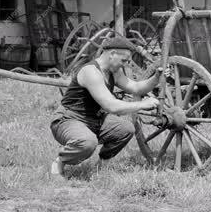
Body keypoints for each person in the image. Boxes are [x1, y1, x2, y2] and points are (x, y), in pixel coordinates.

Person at [49, 36, 161, 179]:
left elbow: (136, 87)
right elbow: (111, 106)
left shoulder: (113, 71)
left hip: (95, 120)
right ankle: (60, 162)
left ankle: (101, 166)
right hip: (69, 120)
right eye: (124, 60)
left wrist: (156, 77)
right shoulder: (91, 72)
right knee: (87, 143)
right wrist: (141, 105)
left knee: (125, 129)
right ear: (112, 53)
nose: (125, 64)